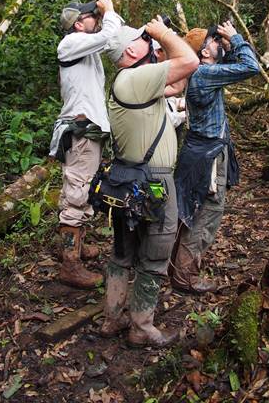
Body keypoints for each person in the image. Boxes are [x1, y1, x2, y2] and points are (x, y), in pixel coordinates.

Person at [99, 17, 198, 347]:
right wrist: (163, 33)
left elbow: (180, 83)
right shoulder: (135, 79)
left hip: (126, 181)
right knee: (155, 252)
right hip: (153, 183)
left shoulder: (132, 81)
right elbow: (190, 62)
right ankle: (141, 326)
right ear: (130, 50)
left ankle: (111, 319)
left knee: (122, 252)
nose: (149, 42)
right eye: (142, 39)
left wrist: (157, 43)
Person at [170, 20, 260, 294]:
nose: (218, 44)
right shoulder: (204, 74)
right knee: (207, 212)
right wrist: (237, 38)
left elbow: (234, 62)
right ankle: (185, 276)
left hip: (202, 149)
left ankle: (171, 267)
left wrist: (229, 44)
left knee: (189, 209)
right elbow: (250, 66)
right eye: (214, 42)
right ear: (204, 52)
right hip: (207, 154)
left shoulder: (204, 71)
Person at [49, 0, 122, 289]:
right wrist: (111, 11)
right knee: (76, 194)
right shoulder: (70, 43)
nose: (98, 17)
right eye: (92, 15)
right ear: (79, 23)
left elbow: (111, 38)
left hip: (88, 133)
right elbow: (111, 35)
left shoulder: (85, 47)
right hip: (81, 134)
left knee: (82, 191)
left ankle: (76, 247)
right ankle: (70, 265)